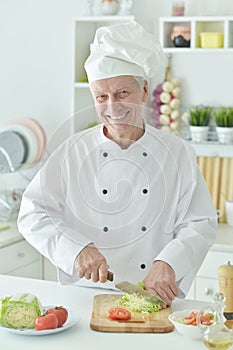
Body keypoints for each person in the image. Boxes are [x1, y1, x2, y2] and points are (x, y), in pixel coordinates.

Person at [17, 20, 217, 306]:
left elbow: (200, 222)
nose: (113, 106)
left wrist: (169, 263)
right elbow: (32, 213)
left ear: (145, 91)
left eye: (123, 93)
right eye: (101, 96)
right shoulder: (71, 152)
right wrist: (75, 249)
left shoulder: (178, 153)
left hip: (152, 297)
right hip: (85, 297)